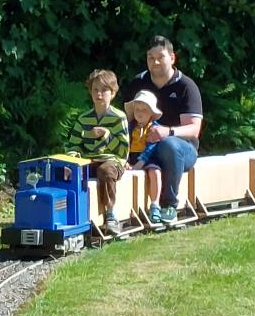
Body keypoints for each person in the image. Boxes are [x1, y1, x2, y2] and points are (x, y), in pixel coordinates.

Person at [122, 35, 203, 223]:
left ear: (172, 58)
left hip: (182, 149)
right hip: (142, 147)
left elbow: (194, 129)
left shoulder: (186, 86)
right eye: (151, 57)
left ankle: (169, 205)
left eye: (161, 57)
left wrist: (168, 132)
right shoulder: (138, 83)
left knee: (168, 144)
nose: (155, 61)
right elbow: (126, 123)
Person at [63, 69, 130, 234]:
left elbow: (123, 150)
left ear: (112, 93)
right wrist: (72, 160)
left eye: (104, 90)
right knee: (67, 171)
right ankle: (72, 216)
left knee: (105, 170)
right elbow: (73, 145)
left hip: (112, 161)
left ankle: (110, 215)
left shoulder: (119, 117)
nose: (99, 94)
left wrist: (106, 136)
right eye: (95, 90)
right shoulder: (83, 118)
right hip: (89, 160)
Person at [124, 90, 164, 223]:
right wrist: (125, 160)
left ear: (152, 112)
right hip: (132, 157)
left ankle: (155, 204)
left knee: (155, 172)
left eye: (144, 110)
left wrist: (140, 164)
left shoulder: (154, 128)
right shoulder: (129, 127)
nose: (140, 113)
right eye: (137, 109)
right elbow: (124, 144)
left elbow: (151, 148)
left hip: (148, 158)